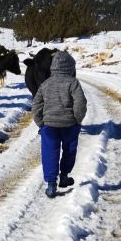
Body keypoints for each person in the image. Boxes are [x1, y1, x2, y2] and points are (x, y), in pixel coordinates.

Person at [31, 50, 87, 198]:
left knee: (50, 153)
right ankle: (64, 176)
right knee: (69, 150)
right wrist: (77, 119)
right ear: (70, 68)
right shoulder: (73, 82)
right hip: (70, 125)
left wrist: (41, 123)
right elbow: (80, 103)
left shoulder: (45, 84)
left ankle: (51, 184)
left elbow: (36, 104)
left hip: (49, 126)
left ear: (53, 67)